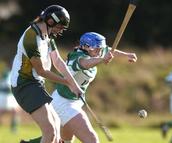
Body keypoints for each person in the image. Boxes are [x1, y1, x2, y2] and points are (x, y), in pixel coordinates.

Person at [10, 5, 83, 143]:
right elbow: (41, 71)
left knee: (55, 135)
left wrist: (74, 84)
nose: (60, 31)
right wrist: (68, 83)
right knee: (50, 132)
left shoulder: (47, 36)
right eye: (59, 27)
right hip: (24, 85)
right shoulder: (31, 37)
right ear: (50, 21)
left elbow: (57, 61)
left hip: (36, 84)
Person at [51, 32, 137, 143]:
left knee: (64, 141)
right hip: (63, 103)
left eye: (101, 49)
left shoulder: (95, 52)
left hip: (74, 101)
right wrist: (102, 59)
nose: (100, 52)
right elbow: (85, 63)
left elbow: (109, 50)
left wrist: (127, 55)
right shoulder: (76, 56)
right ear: (86, 47)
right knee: (92, 140)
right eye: (97, 49)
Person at [0, 68, 20, 133]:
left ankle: (13, 127)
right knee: (2, 111)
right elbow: (7, 84)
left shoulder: (17, 73)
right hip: (5, 95)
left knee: (15, 110)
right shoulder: (8, 73)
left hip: (11, 95)